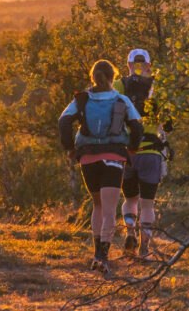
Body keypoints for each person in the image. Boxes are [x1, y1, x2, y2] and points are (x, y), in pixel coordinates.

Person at [59, 59, 144, 273]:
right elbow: (136, 125)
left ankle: (97, 255)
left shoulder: (82, 99)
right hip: (114, 157)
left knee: (97, 205)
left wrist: (70, 148)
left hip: (88, 157)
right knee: (109, 210)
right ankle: (102, 257)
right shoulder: (121, 99)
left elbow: (64, 121)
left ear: (93, 77)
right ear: (113, 78)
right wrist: (132, 148)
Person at [114, 48, 171, 258]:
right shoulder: (158, 88)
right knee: (147, 203)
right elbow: (170, 124)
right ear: (149, 65)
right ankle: (144, 248)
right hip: (151, 153)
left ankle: (130, 231)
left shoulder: (119, 85)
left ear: (128, 64)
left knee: (130, 199)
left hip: (127, 151)